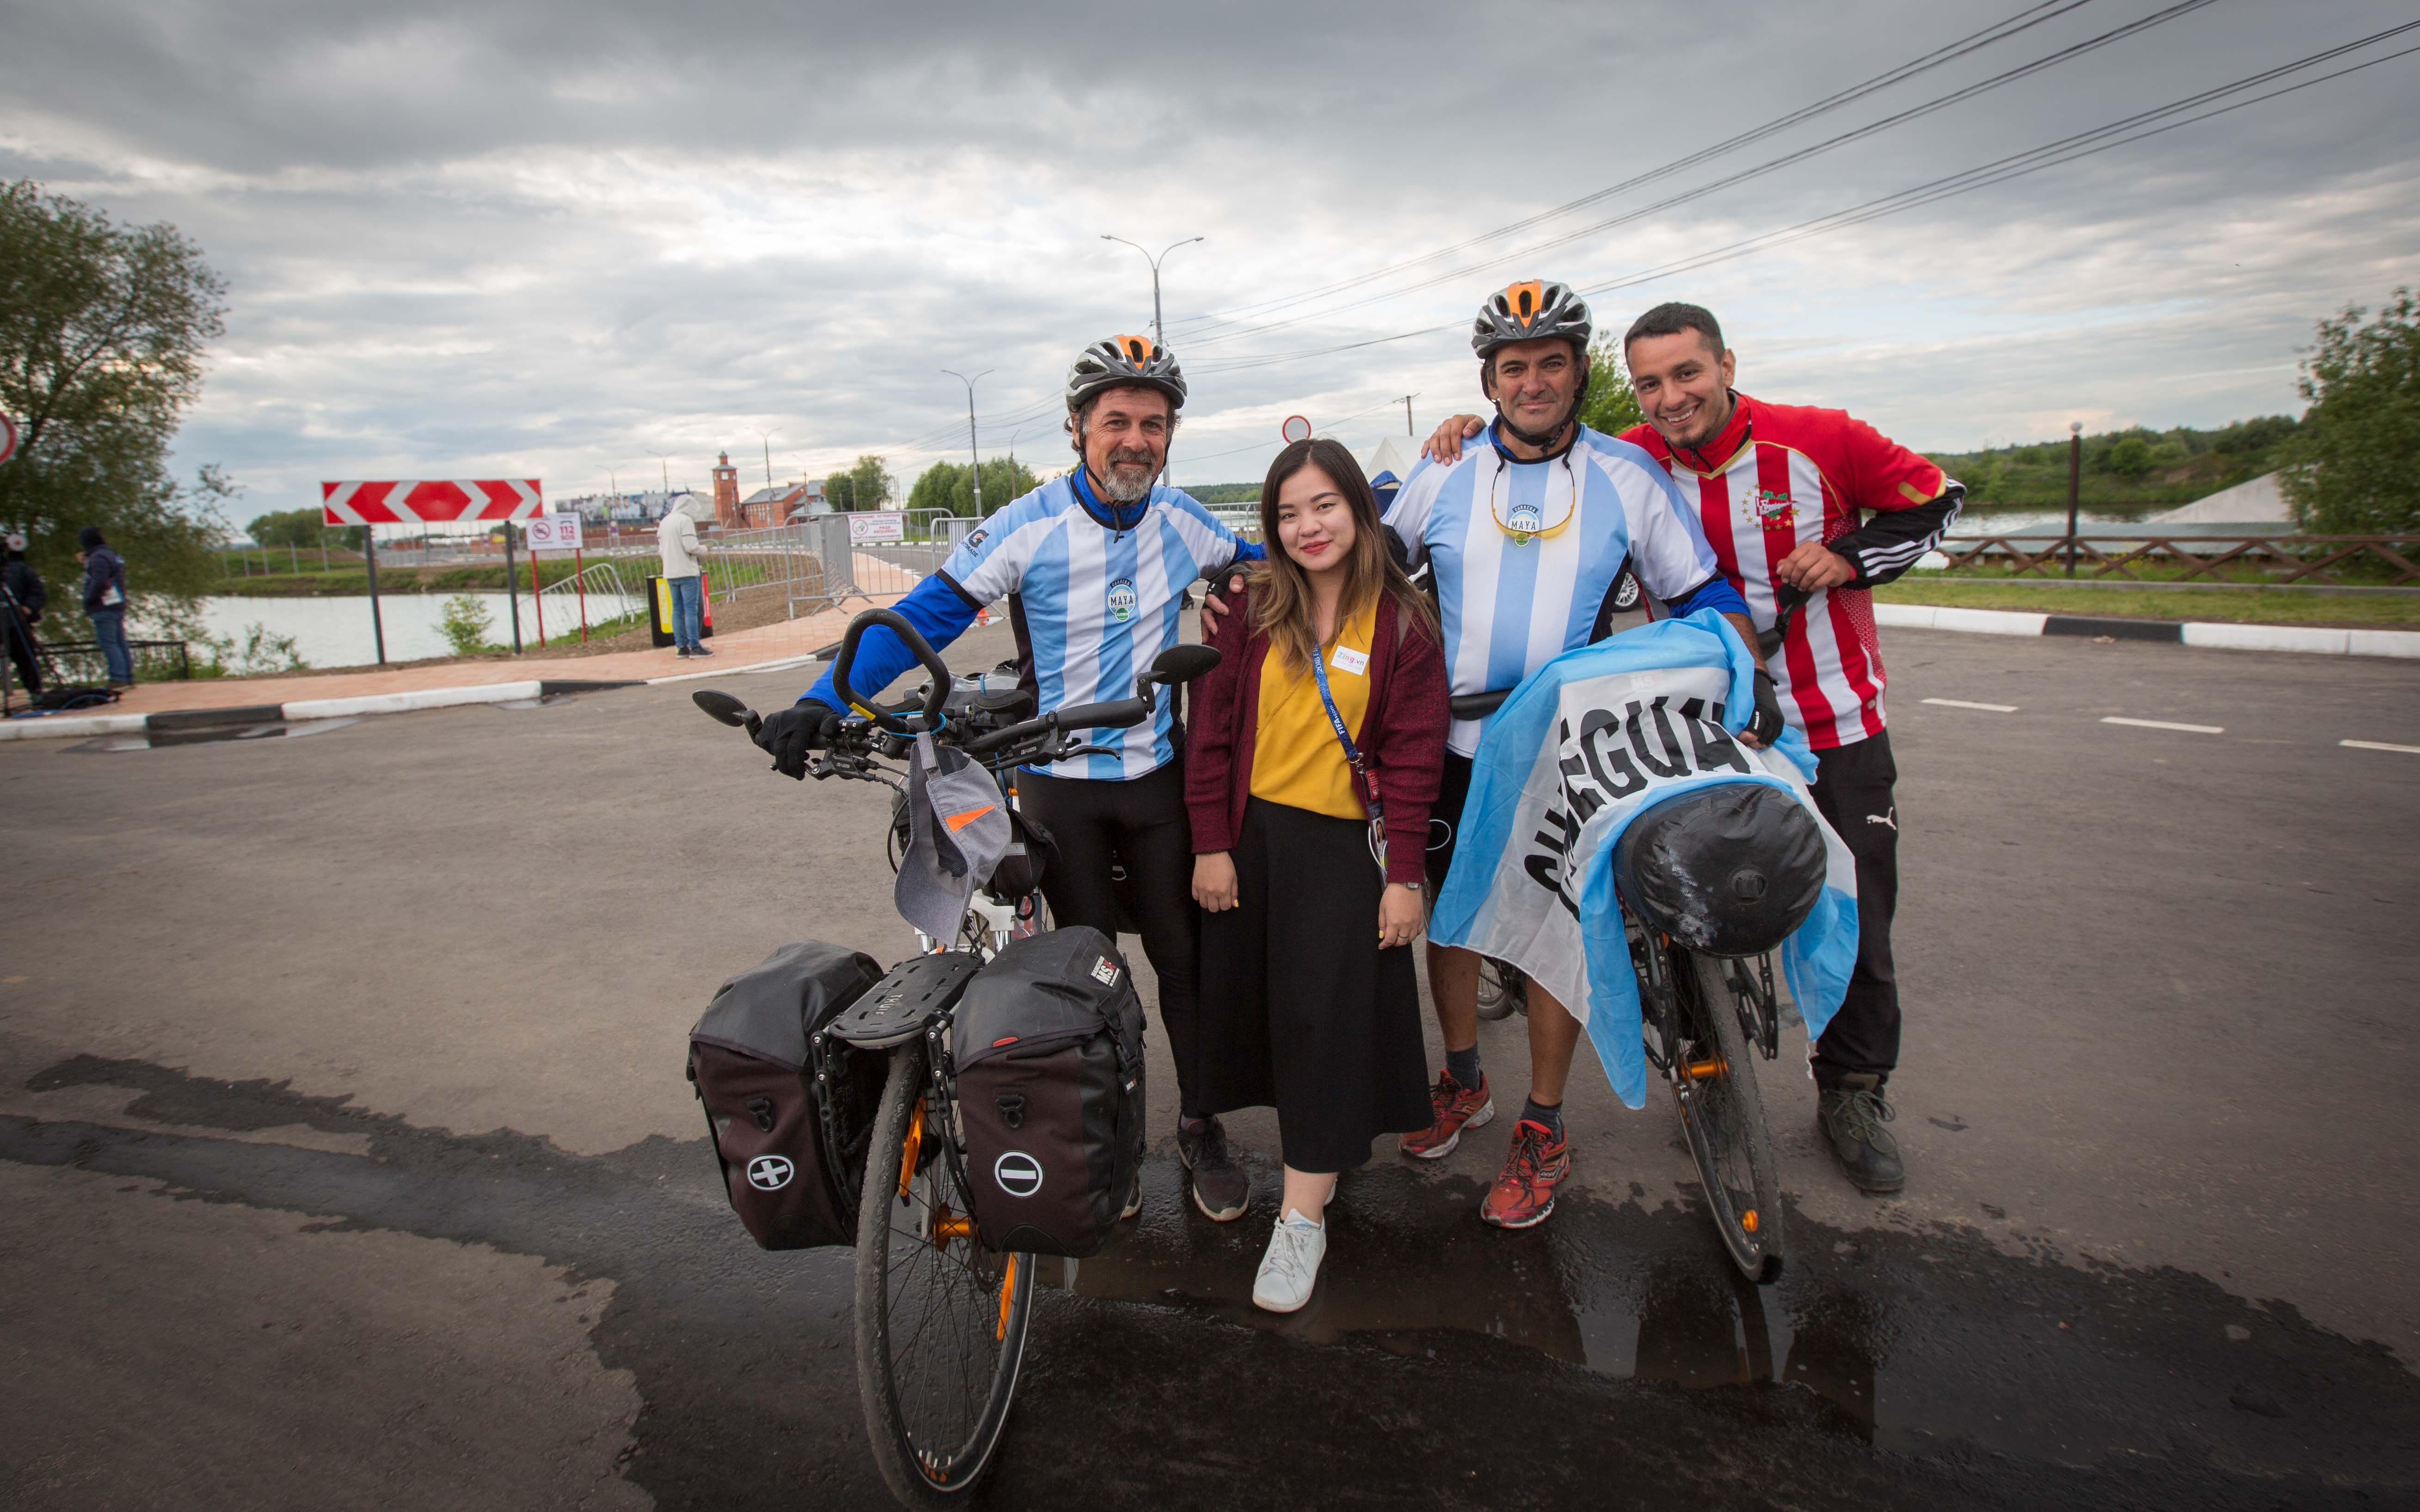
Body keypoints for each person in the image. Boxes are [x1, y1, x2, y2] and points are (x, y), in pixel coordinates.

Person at [1209, 281, 1769, 1231]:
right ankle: (1461, 1076)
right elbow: (1346, 555)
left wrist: (1735, 678)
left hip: (1570, 746)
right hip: (1452, 740)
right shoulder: (1448, 468)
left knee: (1553, 934)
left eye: (1553, 361)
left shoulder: (1627, 478)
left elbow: (1706, 598)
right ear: (1488, 380)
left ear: (1577, 371)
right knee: (1454, 920)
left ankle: (1542, 1122)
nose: (1535, 380)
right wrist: (1248, 582)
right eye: (1514, 366)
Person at [1420, 300, 1965, 1195]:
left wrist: (1849, 558)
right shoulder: (1584, 458)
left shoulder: (1797, 442)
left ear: (1724, 364)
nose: (1672, 398)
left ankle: (1852, 1091)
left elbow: (1928, 507)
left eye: (1688, 375)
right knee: (1599, 901)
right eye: (1652, 382)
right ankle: (1686, 1072)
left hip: (1813, 716)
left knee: (1849, 899)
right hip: (1599, 721)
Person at [758, 335, 1266, 1222]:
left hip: (1156, 779)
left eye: (1153, 424)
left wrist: (1261, 579)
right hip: (1061, 782)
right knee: (1084, 974)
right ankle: (1104, 1140)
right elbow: (925, 616)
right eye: (1116, 422)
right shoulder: (1027, 522)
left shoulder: (1185, 520)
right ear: (1077, 430)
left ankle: (1198, 1125)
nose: (1135, 440)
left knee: (1185, 964)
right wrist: (821, 695)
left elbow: (1277, 567)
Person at [1186, 437, 1448, 1312]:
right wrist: (1210, 845)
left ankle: (1300, 1220)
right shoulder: (1249, 612)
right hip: (1255, 844)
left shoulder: (1403, 624)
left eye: (1323, 505)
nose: (1308, 527)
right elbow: (1211, 736)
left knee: (1324, 1027)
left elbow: (1413, 760)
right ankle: (1316, 1172)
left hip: (1346, 854)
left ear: (1358, 511)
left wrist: (1403, 876)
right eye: (1287, 513)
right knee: (1275, 1020)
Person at [77, 527, 132, 688]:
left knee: (109, 643)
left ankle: (118, 678)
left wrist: (88, 599)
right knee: (119, 641)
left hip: (103, 605)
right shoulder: (112, 555)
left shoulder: (98, 558)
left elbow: (99, 582)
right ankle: (127, 676)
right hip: (117, 603)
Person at [657, 505, 714, 658]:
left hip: (670, 572)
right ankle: (695, 646)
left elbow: (661, 550)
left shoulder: (665, 522)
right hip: (687, 572)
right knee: (691, 610)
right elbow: (691, 547)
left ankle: (681, 647)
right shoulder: (685, 520)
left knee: (677, 610)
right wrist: (705, 549)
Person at [3, 534, 46, 699]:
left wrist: (27, 609)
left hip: (16, 622)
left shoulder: (22, 570)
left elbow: (38, 594)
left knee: (25, 657)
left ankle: (35, 692)